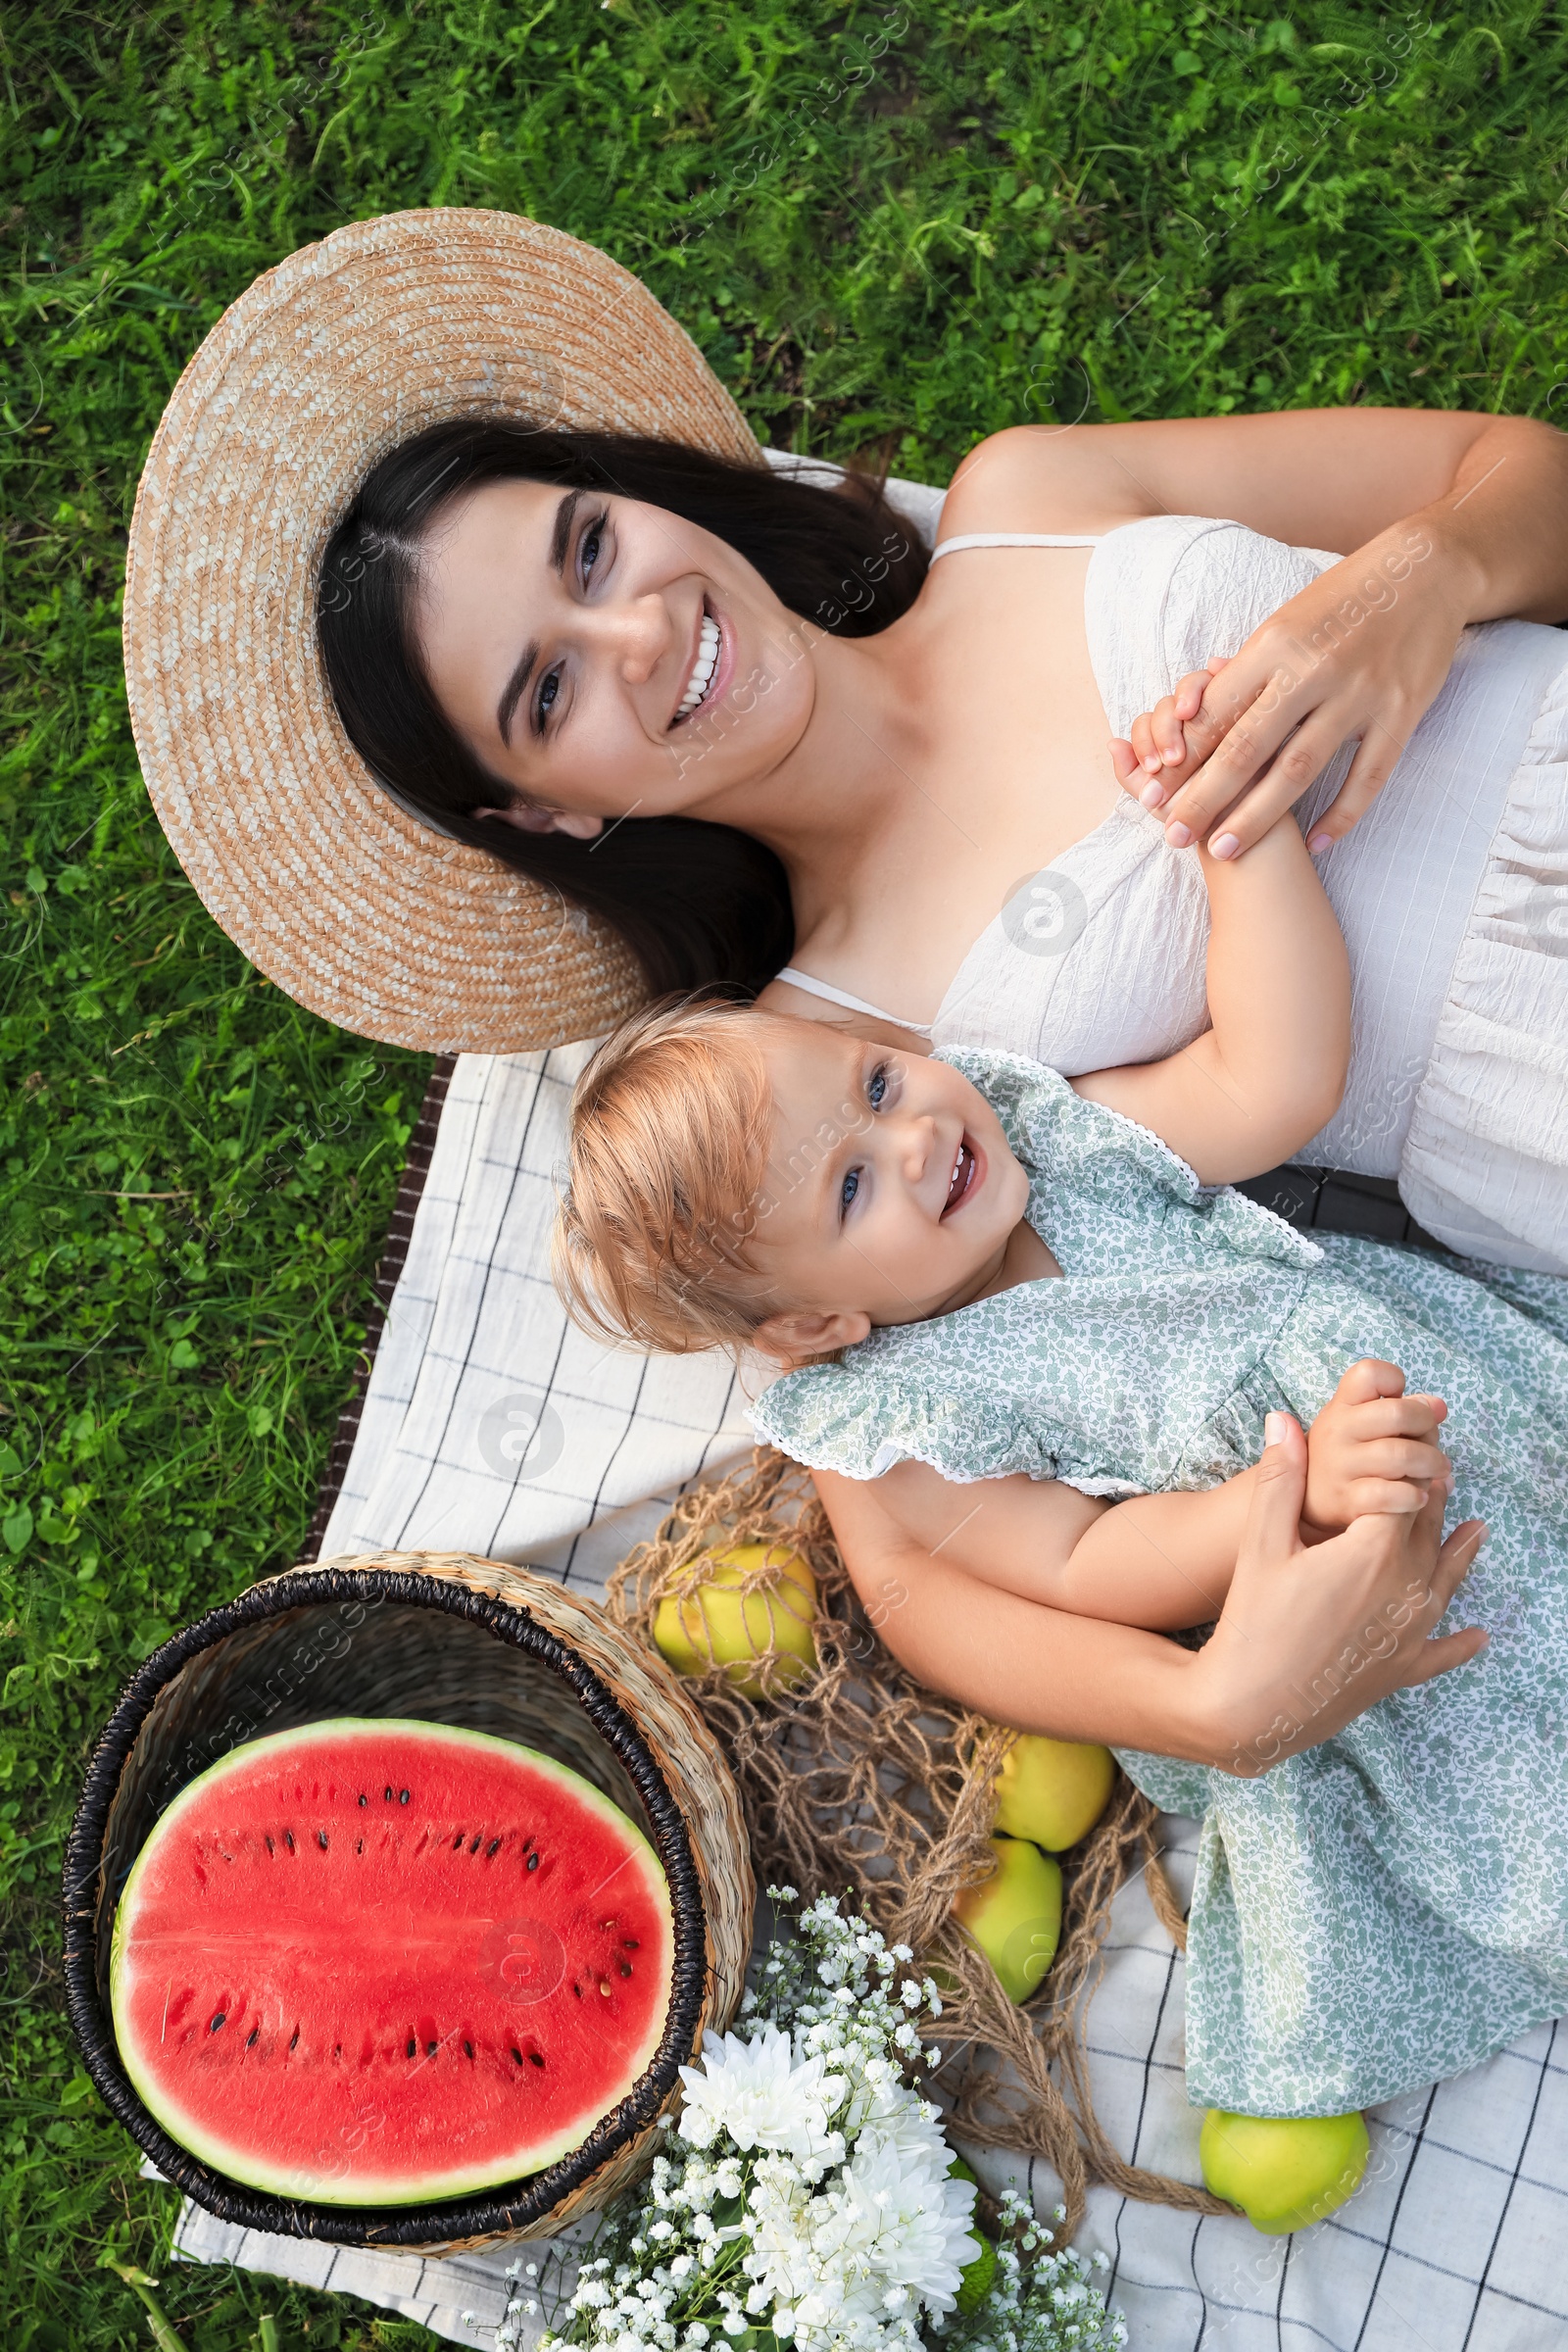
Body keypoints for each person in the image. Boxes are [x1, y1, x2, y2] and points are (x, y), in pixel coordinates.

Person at [126, 214, 1568, 1273]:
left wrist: (1419, 579)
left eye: (589, 548)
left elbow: (1523, 479)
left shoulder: (1031, 498)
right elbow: (1173, 1188)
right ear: (544, 814)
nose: (640, 635)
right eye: (548, 696)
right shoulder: (838, 1053)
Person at [550, 798, 1568, 2123]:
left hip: (1468, 1382)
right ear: (813, 1324)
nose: (915, 1138)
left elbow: (1272, 1073)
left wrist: (1240, 845)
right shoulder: (913, 1419)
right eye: (851, 1188)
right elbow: (1086, 1560)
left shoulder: (1052, 1138)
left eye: (874, 1080)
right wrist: (1287, 1494)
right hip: (1327, 1547)